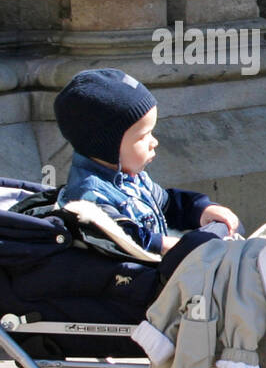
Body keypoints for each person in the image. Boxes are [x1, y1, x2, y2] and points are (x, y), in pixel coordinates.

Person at [54, 68, 239, 256]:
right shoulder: (90, 194)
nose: (154, 142)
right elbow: (124, 236)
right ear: (106, 146)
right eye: (143, 136)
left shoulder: (129, 176)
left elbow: (167, 204)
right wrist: (168, 245)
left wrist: (201, 210)